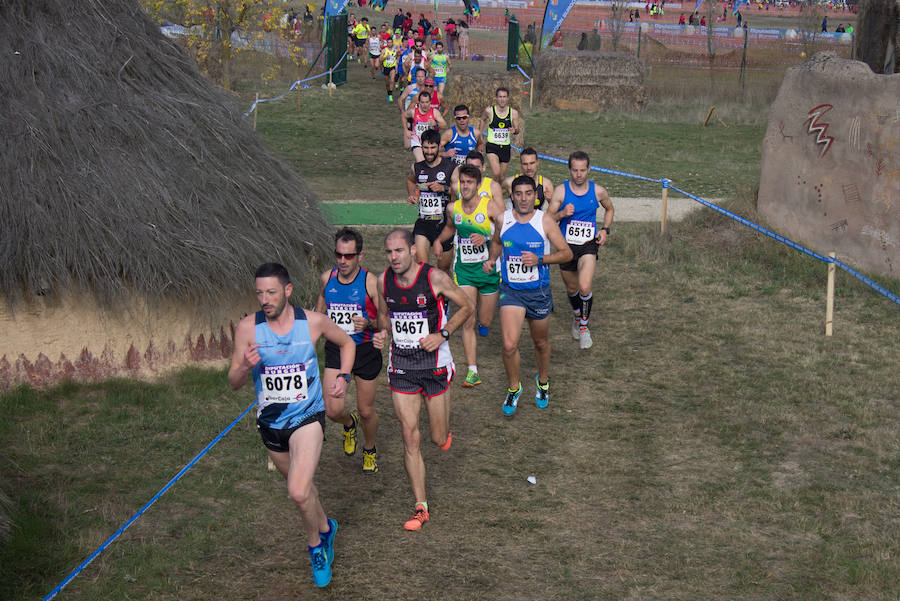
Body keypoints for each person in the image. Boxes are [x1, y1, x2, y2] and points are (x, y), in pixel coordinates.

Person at [228, 262, 354, 587]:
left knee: (297, 491)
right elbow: (233, 382)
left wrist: (343, 376)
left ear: (287, 290)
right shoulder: (247, 329)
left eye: (271, 292)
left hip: (307, 417)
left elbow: (347, 342)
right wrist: (244, 366)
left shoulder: (311, 323)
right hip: (271, 424)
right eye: (259, 293)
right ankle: (327, 527)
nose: (264, 299)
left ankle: (316, 547)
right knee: (305, 489)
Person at [372, 229, 473, 531]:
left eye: (399, 251)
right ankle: (421, 506)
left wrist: (442, 334)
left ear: (413, 251)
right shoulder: (383, 281)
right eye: (389, 252)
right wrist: (382, 333)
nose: (394, 257)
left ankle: (443, 433)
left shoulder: (434, 278)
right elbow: (384, 315)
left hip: (435, 364)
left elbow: (467, 304)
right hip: (402, 364)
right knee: (409, 436)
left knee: (437, 439)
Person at [487, 177, 572, 415]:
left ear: (534, 195)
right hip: (511, 291)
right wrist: (492, 259)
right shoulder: (503, 220)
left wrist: (540, 259)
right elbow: (496, 242)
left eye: (528, 193)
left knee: (540, 342)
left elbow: (566, 253)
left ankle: (542, 381)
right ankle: (514, 388)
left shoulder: (543, 221)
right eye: (518, 194)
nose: (523, 198)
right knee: (508, 344)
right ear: (511, 196)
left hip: (538, 291)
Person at [315, 229, 382, 473]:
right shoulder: (327, 279)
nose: (343, 261)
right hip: (336, 350)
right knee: (332, 409)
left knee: (366, 410)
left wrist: (370, 323)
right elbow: (319, 312)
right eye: (338, 255)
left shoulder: (371, 283)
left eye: (349, 256)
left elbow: (385, 320)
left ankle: (370, 448)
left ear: (360, 256)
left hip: (364, 350)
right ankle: (348, 423)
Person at [432, 164, 504, 387]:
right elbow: (451, 228)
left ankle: (484, 324)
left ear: (478, 185)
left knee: (485, 320)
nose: (465, 186)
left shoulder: (490, 207)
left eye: (470, 183)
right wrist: (438, 240)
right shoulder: (453, 209)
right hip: (464, 271)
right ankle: (473, 371)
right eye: (462, 182)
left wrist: (488, 238)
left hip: (488, 270)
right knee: (467, 318)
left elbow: (503, 236)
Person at [546, 151, 614, 350]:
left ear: (589, 169)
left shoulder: (598, 191)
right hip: (565, 247)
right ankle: (577, 317)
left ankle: (584, 327)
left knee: (584, 287)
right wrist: (562, 213)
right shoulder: (560, 192)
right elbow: (548, 220)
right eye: (575, 170)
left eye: (582, 170)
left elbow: (610, 209)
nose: (578, 174)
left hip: (587, 246)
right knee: (572, 289)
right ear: (569, 169)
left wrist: (605, 229)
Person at [407, 128, 454, 271]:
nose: (429, 152)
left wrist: (444, 189)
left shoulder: (450, 167)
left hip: (445, 225)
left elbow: (460, 192)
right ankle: (426, 293)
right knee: (422, 267)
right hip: (423, 224)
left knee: (444, 268)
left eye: (432, 148)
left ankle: (444, 293)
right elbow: (410, 181)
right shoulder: (417, 167)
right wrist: (412, 194)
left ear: (439, 146)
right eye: (425, 148)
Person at [481, 87, 521, 185]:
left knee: (502, 177)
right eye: (500, 97)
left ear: (508, 98)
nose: (502, 99)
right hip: (492, 146)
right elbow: (482, 119)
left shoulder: (513, 113)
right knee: (496, 172)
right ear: (496, 98)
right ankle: (488, 190)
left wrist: (514, 130)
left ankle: (497, 194)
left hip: (505, 147)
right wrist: (480, 134)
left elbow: (517, 130)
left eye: (504, 97)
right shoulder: (489, 111)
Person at [403, 90, 446, 162]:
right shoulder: (413, 111)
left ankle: (414, 172)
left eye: (427, 102)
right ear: (419, 102)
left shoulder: (435, 112)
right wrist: (406, 130)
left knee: (432, 162)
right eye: (422, 102)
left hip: (430, 142)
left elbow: (444, 125)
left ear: (430, 102)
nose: (425, 105)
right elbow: (404, 116)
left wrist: (436, 124)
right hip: (417, 141)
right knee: (421, 160)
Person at [378, 37, 399, 102]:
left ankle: (390, 95)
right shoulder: (384, 50)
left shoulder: (395, 50)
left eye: (391, 42)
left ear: (392, 43)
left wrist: (396, 68)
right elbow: (380, 60)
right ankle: (389, 93)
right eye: (388, 42)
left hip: (392, 68)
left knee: (392, 80)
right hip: (386, 68)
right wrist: (385, 57)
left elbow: (397, 59)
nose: (389, 44)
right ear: (387, 43)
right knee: (387, 84)